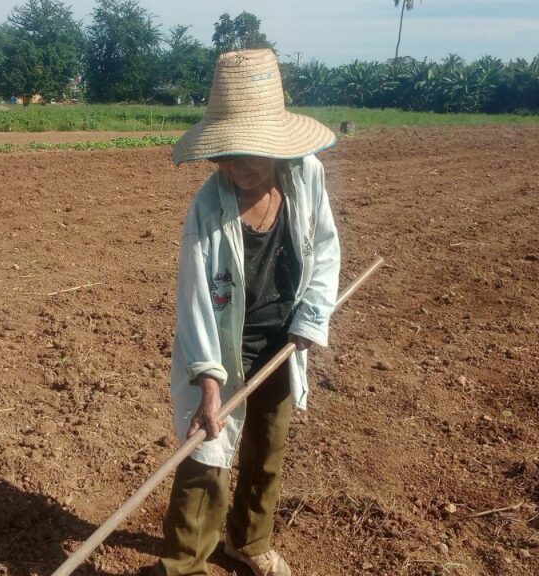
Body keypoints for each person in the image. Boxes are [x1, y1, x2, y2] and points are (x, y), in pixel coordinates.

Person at [154, 49, 341, 576]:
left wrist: (310, 319)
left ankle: (249, 540)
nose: (235, 168)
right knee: (205, 459)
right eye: (225, 155)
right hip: (222, 346)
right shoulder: (207, 210)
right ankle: (183, 566)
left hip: (283, 340)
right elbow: (194, 306)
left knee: (267, 447)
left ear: (275, 145)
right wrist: (209, 386)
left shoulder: (306, 176)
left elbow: (325, 249)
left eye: (247, 153)